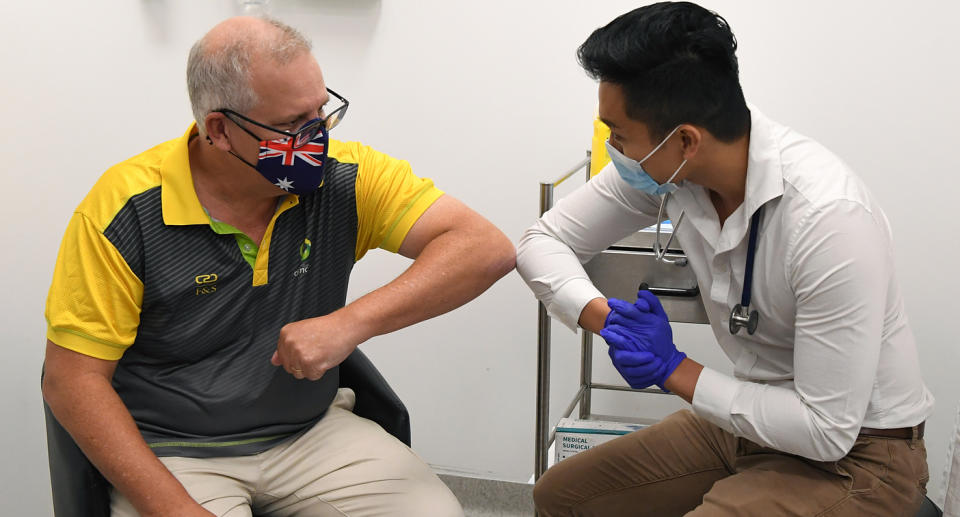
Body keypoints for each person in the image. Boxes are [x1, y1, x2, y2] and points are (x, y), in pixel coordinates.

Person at [42, 16, 515, 517]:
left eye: (321, 113)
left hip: (309, 434)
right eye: (292, 125)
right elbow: (72, 380)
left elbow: (485, 247)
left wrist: (350, 323)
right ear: (220, 130)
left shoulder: (344, 179)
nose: (317, 138)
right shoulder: (123, 211)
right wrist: (176, 509)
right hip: (175, 451)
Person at [516, 2, 934, 515]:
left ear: (686, 140)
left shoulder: (829, 219)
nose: (613, 149)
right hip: (747, 419)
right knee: (561, 495)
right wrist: (605, 319)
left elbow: (825, 431)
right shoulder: (673, 175)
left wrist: (671, 368)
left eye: (619, 135)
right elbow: (541, 241)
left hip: (861, 454)